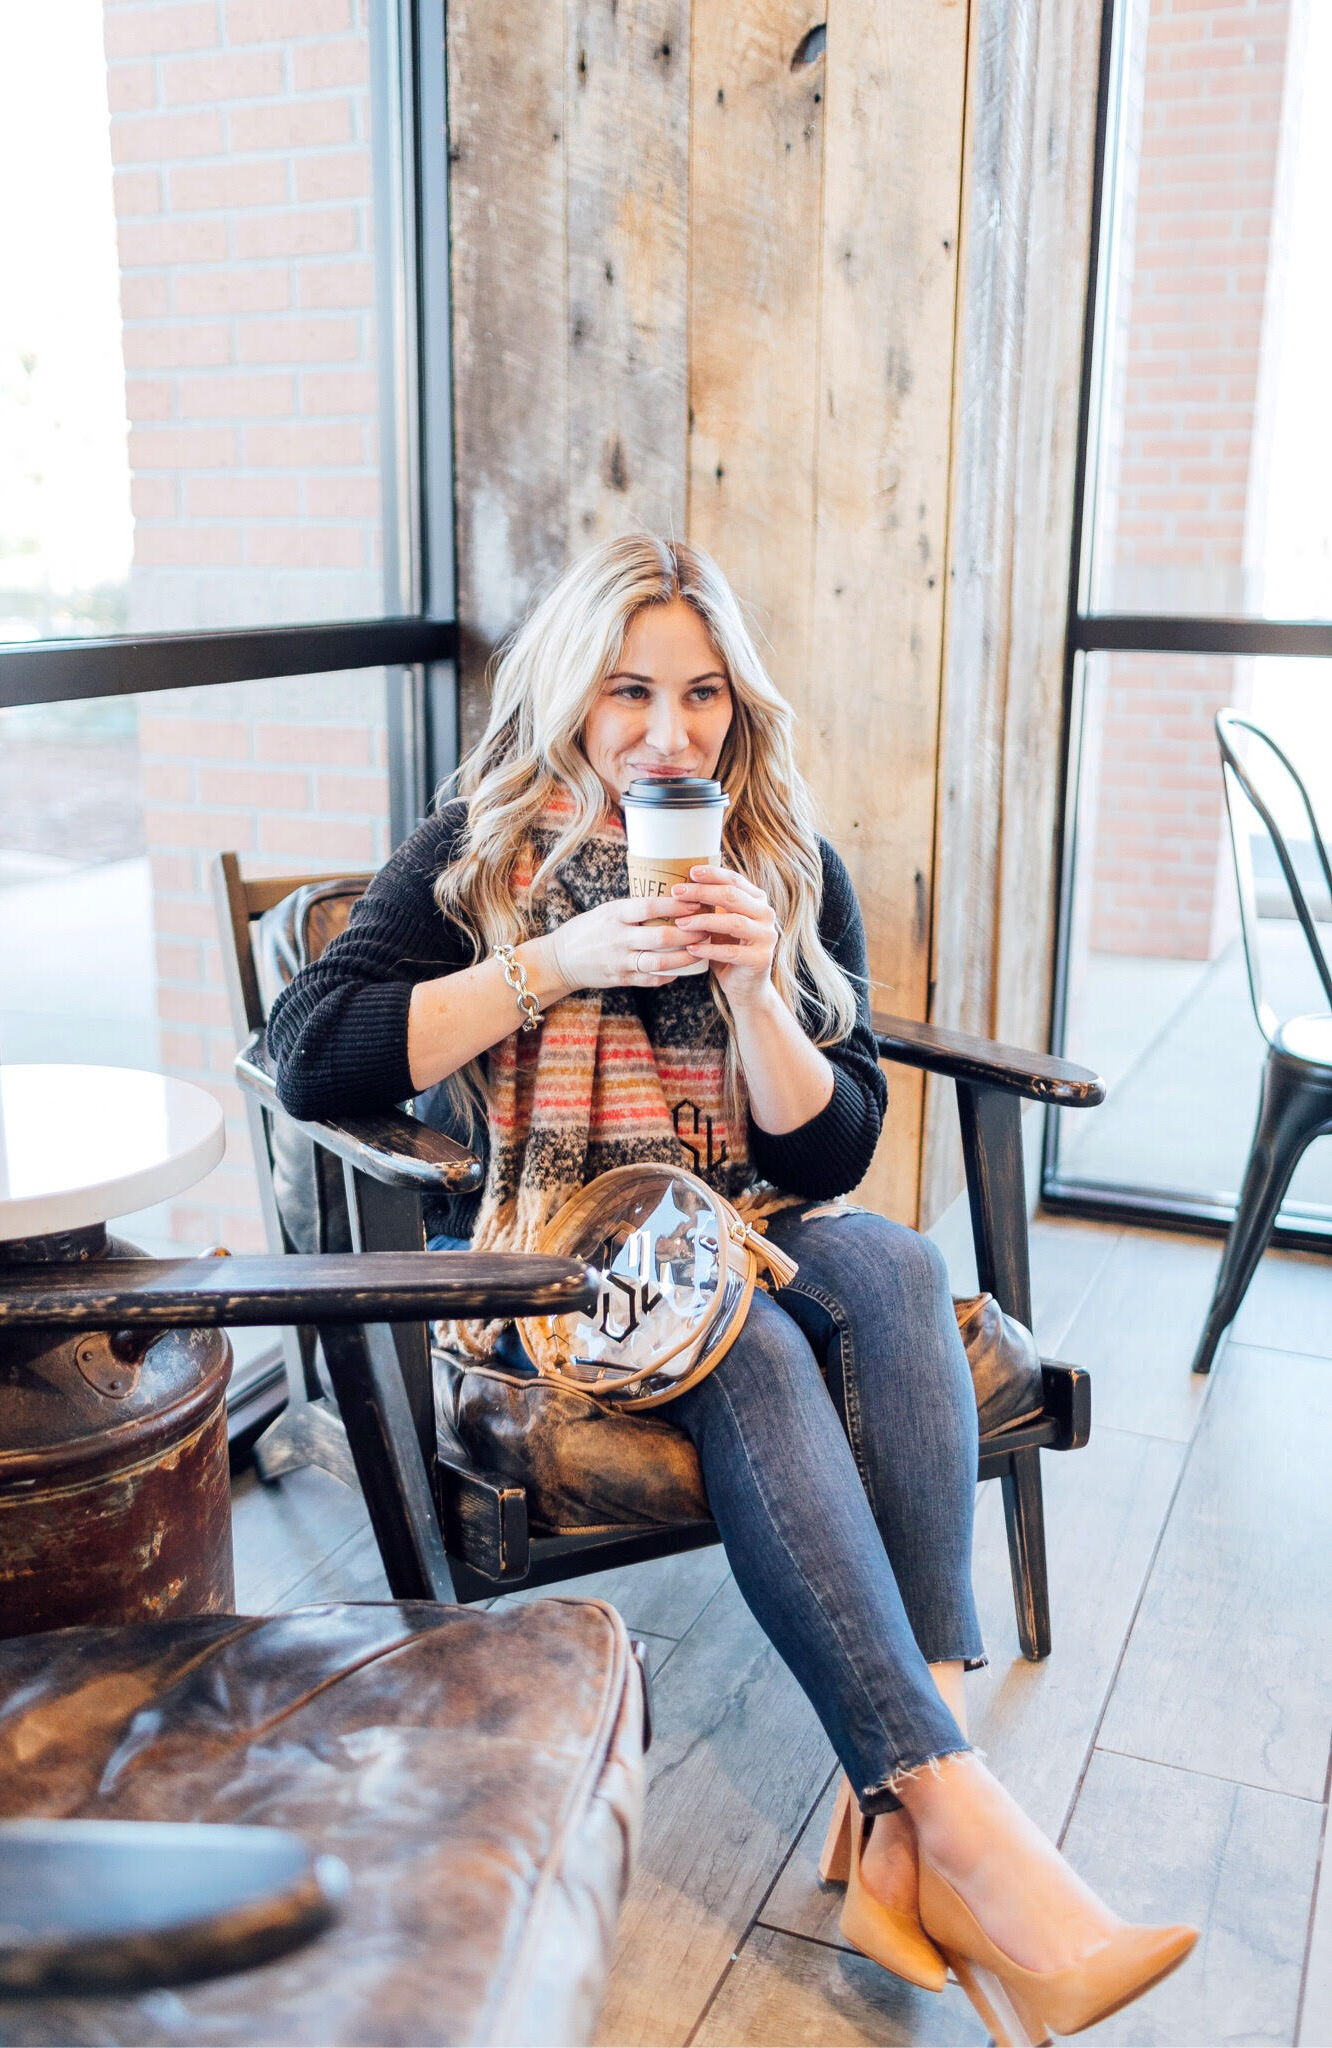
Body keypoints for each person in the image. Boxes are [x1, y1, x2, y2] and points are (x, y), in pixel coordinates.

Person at [268, 534, 1195, 2043]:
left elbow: (829, 1150)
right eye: (630, 690)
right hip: (566, 1247)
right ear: (574, 693)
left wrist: (763, 987)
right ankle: (959, 1836)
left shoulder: (776, 859)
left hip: (742, 1216)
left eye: (702, 695)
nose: (668, 730)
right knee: (747, 1346)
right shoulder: (476, 853)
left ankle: (911, 1817)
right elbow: (316, 1047)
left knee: (887, 1257)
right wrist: (550, 963)